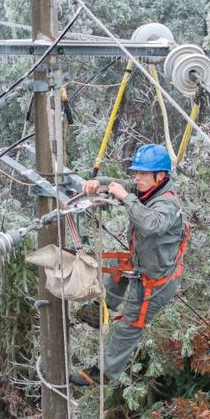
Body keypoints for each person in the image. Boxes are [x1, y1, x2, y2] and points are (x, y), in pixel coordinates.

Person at [70, 144, 189, 386]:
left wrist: (126, 199)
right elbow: (119, 184)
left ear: (161, 176)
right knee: (118, 264)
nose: (138, 178)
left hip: (156, 283)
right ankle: (100, 311)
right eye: (137, 173)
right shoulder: (146, 189)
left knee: (130, 325)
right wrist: (98, 183)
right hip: (142, 263)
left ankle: (102, 374)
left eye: (144, 174)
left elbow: (151, 224)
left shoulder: (167, 204)